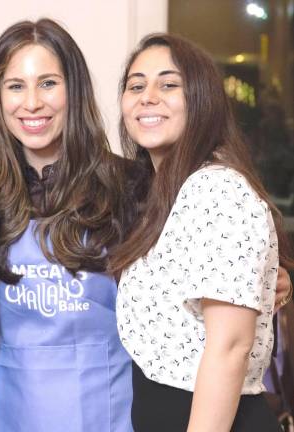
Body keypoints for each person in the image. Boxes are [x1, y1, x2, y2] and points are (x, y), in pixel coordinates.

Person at [0, 21, 293, 432]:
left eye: (49, 83)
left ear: (74, 90)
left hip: (112, 413)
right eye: (15, 86)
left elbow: (227, 251)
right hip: (9, 411)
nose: (32, 103)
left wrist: (277, 279)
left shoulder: (134, 186)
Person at [112, 33, 294, 431]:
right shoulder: (161, 194)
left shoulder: (216, 189)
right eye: (136, 85)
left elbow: (230, 347)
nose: (148, 96)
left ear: (201, 100)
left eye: (169, 84)